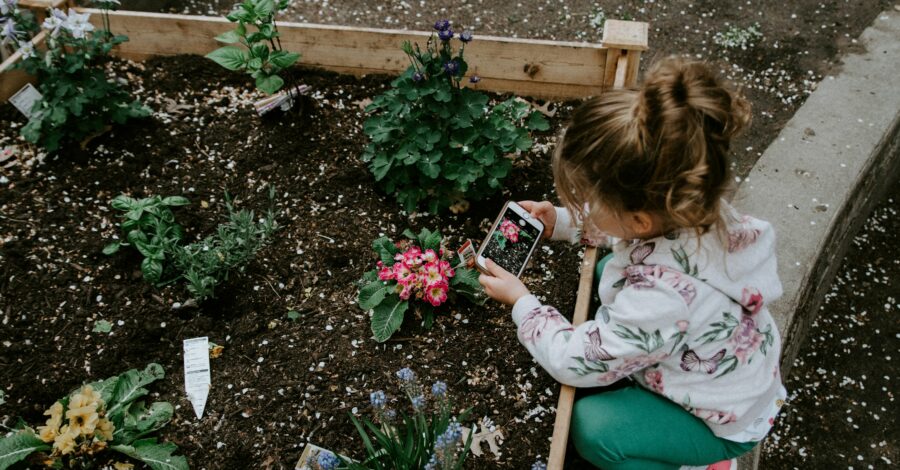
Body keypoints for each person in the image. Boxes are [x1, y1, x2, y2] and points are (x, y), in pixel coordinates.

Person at [478, 57, 786, 470]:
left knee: (593, 430)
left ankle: (700, 463)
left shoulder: (662, 298)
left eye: (587, 200)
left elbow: (574, 362)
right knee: (608, 272)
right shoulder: (694, 208)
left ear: (639, 219)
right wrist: (565, 224)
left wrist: (523, 304)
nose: (578, 204)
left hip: (715, 419)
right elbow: (627, 232)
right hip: (729, 373)